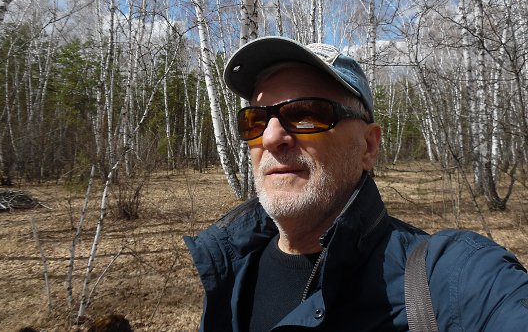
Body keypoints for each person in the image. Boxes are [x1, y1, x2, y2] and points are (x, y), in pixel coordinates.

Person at [184, 36, 528, 331]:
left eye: (306, 113)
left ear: (368, 146)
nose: (271, 138)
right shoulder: (231, 272)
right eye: (255, 120)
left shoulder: (446, 279)